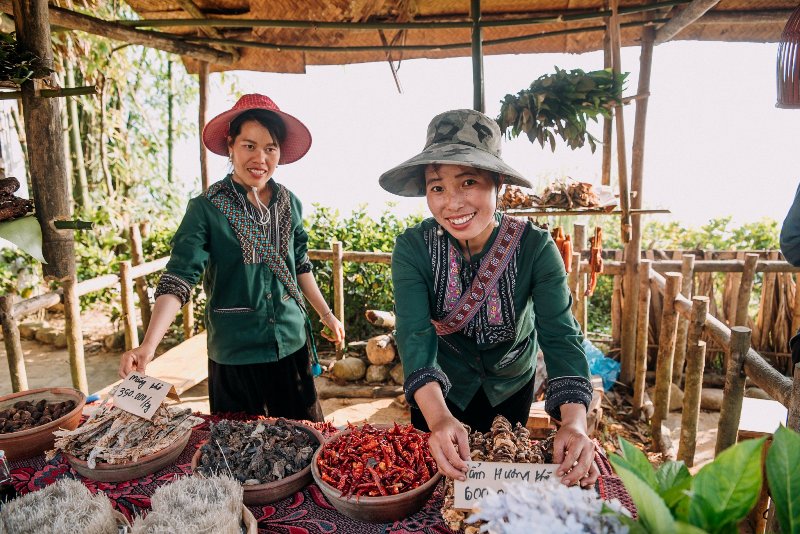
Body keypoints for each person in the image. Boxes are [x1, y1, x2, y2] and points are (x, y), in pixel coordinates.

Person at [379, 109, 597, 488]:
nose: (452, 202)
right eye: (437, 187)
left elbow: (561, 336)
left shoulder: (536, 248)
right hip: (438, 390)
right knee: (438, 486)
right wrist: (438, 418)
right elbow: (415, 336)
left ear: (497, 182)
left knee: (498, 480)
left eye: (468, 182)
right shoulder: (412, 249)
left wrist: (575, 422)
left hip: (510, 385)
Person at [118, 94, 344, 420]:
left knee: (306, 441)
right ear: (230, 146)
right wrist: (148, 346)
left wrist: (327, 315)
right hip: (235, 355)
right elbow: (180, 276)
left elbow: (300, 264)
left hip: (291, 347)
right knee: (240, 454)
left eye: (270, 148)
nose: (260, 157)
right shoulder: (205, 209)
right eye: (249, 145)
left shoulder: (289, 204)